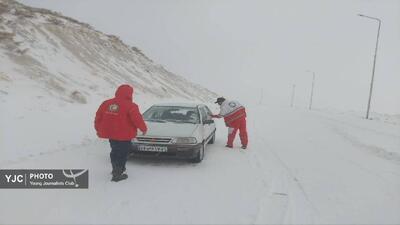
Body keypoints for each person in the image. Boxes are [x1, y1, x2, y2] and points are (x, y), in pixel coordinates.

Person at [94, 84, 147, 182]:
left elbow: (98, 117)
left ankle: (115, 169)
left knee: (114, 151)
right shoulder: (131, 106)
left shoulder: (106, 103)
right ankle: (118, 174)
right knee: (123, 153)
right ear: (130, 94)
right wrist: (143, 129)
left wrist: (98, 129)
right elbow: (137, 120)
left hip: (111, 134)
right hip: (125, 135)